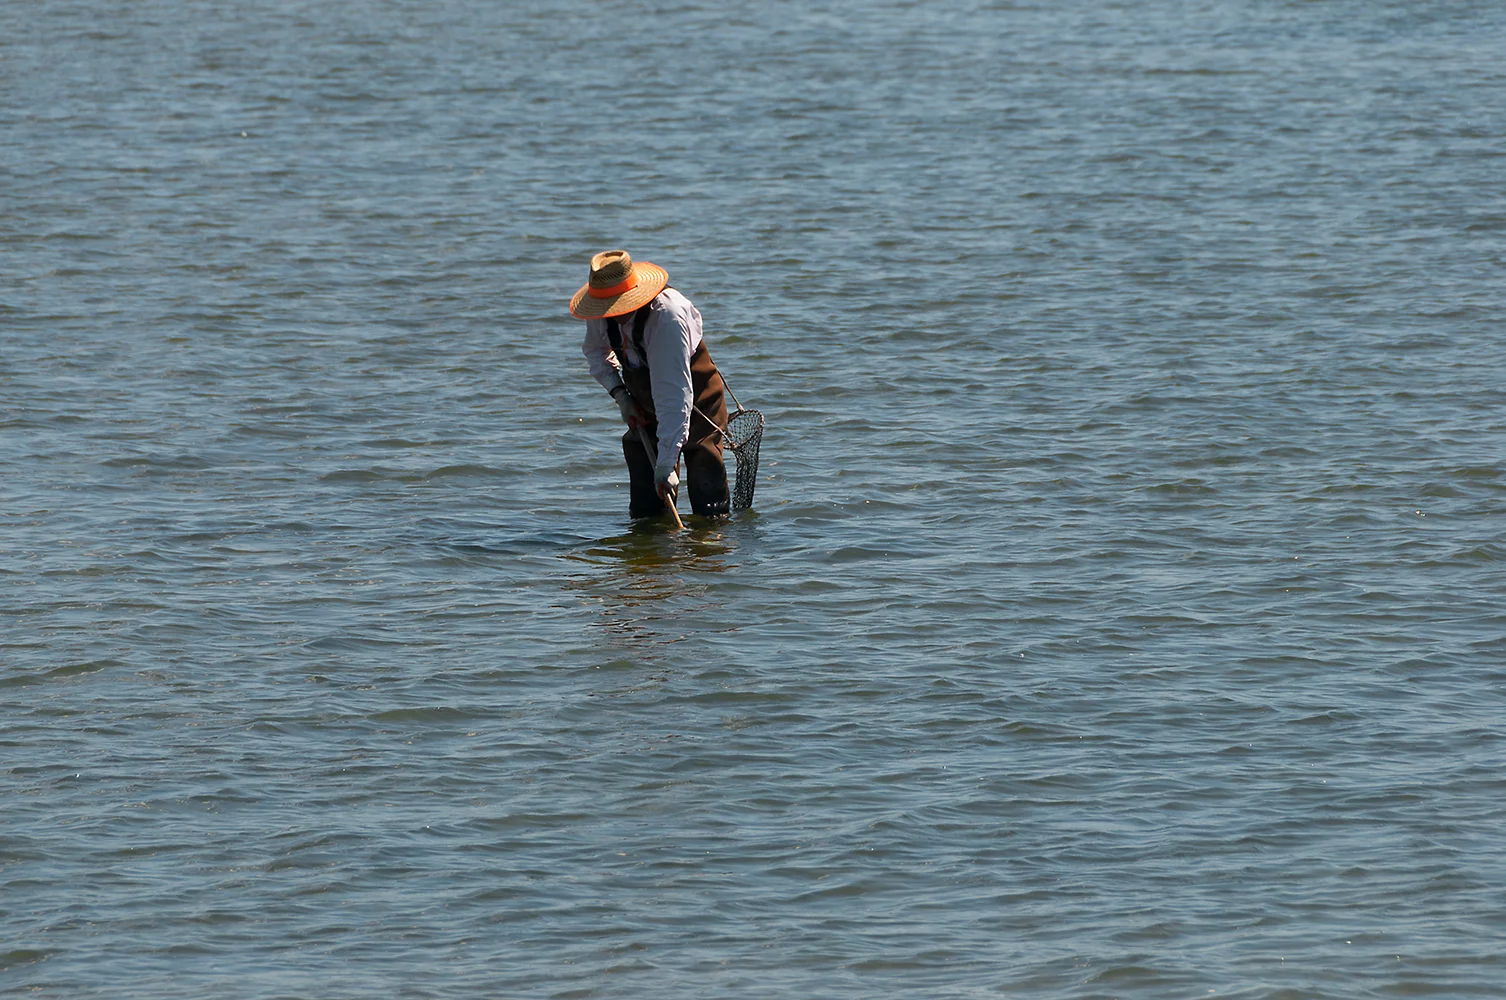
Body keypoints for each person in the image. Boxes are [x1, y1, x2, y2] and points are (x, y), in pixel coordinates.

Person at [570, 250, 730, 519]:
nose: (610, 313)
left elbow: (674, 397)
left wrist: (667, 463)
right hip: (645, 407)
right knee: (647, 509)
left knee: (708, 505)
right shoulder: (602, 310)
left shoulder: (667, 317)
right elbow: (596, 352)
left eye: (616, 305)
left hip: (695, 403)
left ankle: (708, 555)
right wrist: (622, 397)